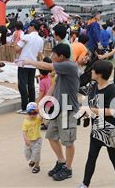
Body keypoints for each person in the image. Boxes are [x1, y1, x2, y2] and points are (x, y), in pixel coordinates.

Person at [23, 44, 80, 181]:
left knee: (68, 141)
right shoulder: (62, 70)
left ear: (61, 57)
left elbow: (48, 66)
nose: (52, 57)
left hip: (68, 109)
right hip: (57, 108)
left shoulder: (69, 66)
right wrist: (42, 104)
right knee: (51, 136)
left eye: (54, 54)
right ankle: (61, 162)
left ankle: (68, 168)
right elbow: (54, 86)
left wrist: (29, 61)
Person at [78, 60, 115, 188]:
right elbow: (83, 93)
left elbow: (111, 111)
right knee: (92, 156)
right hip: (97, 127)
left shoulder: (112, 89)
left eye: (93, 70)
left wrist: (91, 110)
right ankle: (85, 184)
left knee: (113, 156)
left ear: (100, 74)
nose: (91, 72)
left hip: (110, 127)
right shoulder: (93, 85)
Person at [15, 21, 44, 113]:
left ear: (33, 27)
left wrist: (18, 42)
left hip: (23, 63)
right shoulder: (40, 39)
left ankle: (24, 107)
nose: (28, 28)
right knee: (31, 85)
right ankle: (31, 106)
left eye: (29, 26)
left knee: (22, 85)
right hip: (33, 64)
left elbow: (17, 49)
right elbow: (40, 52)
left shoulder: (27, 37)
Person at [22, 102, 43, 174]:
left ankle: (37, 166)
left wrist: (38, 111)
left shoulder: (37, 119)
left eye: (34, 113)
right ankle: (32, 160)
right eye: (30, 113)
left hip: (37, 140)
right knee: (27, 153)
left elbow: (41, 116)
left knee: (36, 153)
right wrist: (26, 140)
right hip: (28, 140)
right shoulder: (26, 121)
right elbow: (24, 132)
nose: (32, 115)